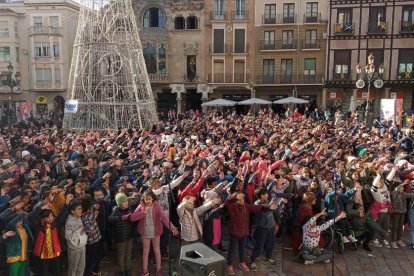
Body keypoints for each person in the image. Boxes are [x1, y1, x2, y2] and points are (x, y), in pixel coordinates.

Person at [225, 192, 276, 275]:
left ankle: (241, 263)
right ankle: (229, 266)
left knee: (242, 249)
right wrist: (235, 196)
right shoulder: (231, 207)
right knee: (232, 250)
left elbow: (258, 207)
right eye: (239, 199)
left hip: (244, 232)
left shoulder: (246, 206)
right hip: (234, 232)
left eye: (242, 199)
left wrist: (268, 206)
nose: (241, 201)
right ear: (235, 200)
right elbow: (227, 201)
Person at [130, 189, 179, 276]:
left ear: (153, 198)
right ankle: (145, 271)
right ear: (143, 199)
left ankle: (159, 270)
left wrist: (171, 227)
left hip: (156, 232)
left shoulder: (157, 205)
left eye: (149, 198)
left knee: (157, 251)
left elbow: (164, 217)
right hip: (145, 232)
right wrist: (143, 213)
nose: (147, 201)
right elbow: (132, 217)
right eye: (145, 199)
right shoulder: (141, 206)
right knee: (146, 252)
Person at [108, 193, 134, 276]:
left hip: (129, 236)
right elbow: (110, 219)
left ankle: (128, 270)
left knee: (128, 255)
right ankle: (122, 271)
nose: (126, 203)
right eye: (123, 201)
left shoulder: (129, 209)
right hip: (120, 238)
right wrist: (121, 218)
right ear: (119, 203)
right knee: (121, 256)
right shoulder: (115, 210)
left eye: (126, 201)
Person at [65, 199, 87, 276]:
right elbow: (68, 236)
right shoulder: (69, 222)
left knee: (81, 267)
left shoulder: (79, 217)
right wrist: (81, 230)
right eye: (78, 209)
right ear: (72, 211)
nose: (80, 210)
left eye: (81, 208)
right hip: (74, 249)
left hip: (82, 247)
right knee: (73, 269)